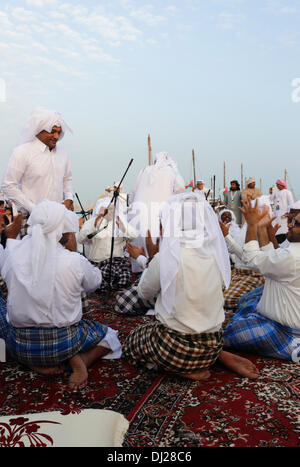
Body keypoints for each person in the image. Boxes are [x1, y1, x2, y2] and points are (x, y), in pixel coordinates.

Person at [123, 193, 259, 380]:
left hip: (175, 349)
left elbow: (144, 292)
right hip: (212, 344)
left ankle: (182, 369)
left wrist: (152, 261)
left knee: (132, 342)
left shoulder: (167, 257)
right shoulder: (216, 256)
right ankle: (219, 356)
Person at [0, 200, 121, 390]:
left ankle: (34, 363)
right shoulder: (72, 261)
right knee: (110, 336)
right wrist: (74, 258)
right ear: (60, 231)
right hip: (64, 344)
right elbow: (94, 283)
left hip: (21, 347)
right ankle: (81, 360)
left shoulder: (14, 256)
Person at [223, 196, 300, 362]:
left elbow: (252, 259)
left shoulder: (293, 256)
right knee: (250, 300)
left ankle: (293, 346)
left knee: (232, 331)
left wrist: (252, 225)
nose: (290, 225)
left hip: (285, 329)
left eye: (296, 223)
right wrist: (263, 230)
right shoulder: (293, 251)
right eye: (292, 220)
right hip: (285, 316)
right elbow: (272, 257)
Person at [1, 107, 74, 237]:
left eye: (59, 132)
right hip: (31, 219)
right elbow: (8, 185)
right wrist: (34, 209)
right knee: (31, 257)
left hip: (56, 219)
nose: (56, 136)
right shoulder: (22, 152)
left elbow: (67, 179)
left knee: (57, 255)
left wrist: (69, 198)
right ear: (39, 129)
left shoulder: (63, 155)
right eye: (52, 132)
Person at [128, 152, 185, 272]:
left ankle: (140, 277)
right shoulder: (171, 172)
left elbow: (132, 193)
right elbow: (181, 188)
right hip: (158, 215)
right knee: (158, 253)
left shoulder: (145, 170)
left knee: (138, 248)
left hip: (138, 216)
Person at [77, 204, 138, 293]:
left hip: (117, 262)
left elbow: (134, 236)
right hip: (97, 263)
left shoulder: (119, 221)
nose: (110, 211)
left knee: (123, 278)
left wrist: (124, 229)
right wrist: (94, 227)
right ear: (99, 210)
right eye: (106, 209)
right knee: (97, 281)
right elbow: (80, 239)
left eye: (112, 209)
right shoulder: (91, 222)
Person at [218, 208, 265, 311]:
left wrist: (226, 236)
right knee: (214, 291)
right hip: (237, 271)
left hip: (253, 274)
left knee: (224, 299)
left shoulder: (262, 229)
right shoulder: (246, 228)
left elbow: (247, 258)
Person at [271, 179, 294, 244]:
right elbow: (271, 199)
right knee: (277, 232)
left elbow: (291, 204)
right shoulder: (276, 193)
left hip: (284, 216)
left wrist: (288, 214)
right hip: (277, 216)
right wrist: (273, 191)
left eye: (277, 185)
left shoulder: (287, 192)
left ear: (281, 185)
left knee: (284, 231)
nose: (277, 186)